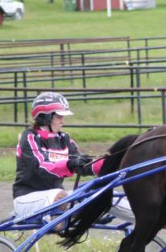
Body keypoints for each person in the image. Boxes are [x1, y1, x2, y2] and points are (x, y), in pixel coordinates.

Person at [12, 92, 104, 230]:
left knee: (96, 192)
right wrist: (69, 164)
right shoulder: (30, 138)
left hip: (56, 198)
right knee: (59, 195)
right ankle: (56, 218)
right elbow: (42, 167)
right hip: (27, 200)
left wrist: (110, 164)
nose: (63, 121)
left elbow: (82, 164)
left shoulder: (64, 138)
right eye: (59, 117)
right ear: (45, 117)